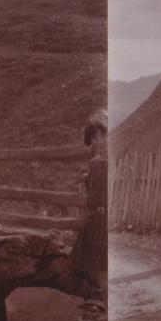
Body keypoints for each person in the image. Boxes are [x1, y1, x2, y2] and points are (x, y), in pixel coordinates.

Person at [72, 109, 108, 297]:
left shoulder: (113, 162)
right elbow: (91, 196)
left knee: (104, 268)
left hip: (107, 219)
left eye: (103, 135)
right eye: (94, 138)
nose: (99, 141)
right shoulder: (94, 164)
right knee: (90, 266)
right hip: (95, 218)